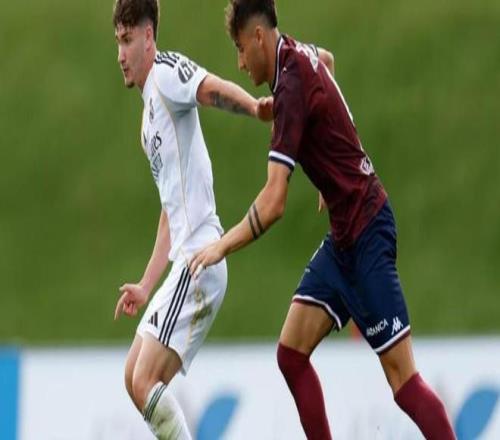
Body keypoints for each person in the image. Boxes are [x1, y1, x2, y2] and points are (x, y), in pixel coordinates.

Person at [189, 1, 457, 439]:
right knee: (291, 355)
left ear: (258, 37)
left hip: (368, 232)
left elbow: (273, 203)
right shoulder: (297, 55)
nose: (239, 63)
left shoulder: (290, 87)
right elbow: (327, 62)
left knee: (404, 383)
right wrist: (333, 157)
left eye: (239, 48)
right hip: (344, 237)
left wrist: (221, 245)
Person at [111, 0, 271, 438]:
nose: (120, 54)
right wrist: (146, 284)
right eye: (117, 42)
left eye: (127, 40)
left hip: (201, 256)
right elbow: (169, 210)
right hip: (184, 260)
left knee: (144, 379)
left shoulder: (165, 74)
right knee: (132, 376)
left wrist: (255, 107)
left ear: (148, 36)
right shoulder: (148, 121)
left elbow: (210, 88)